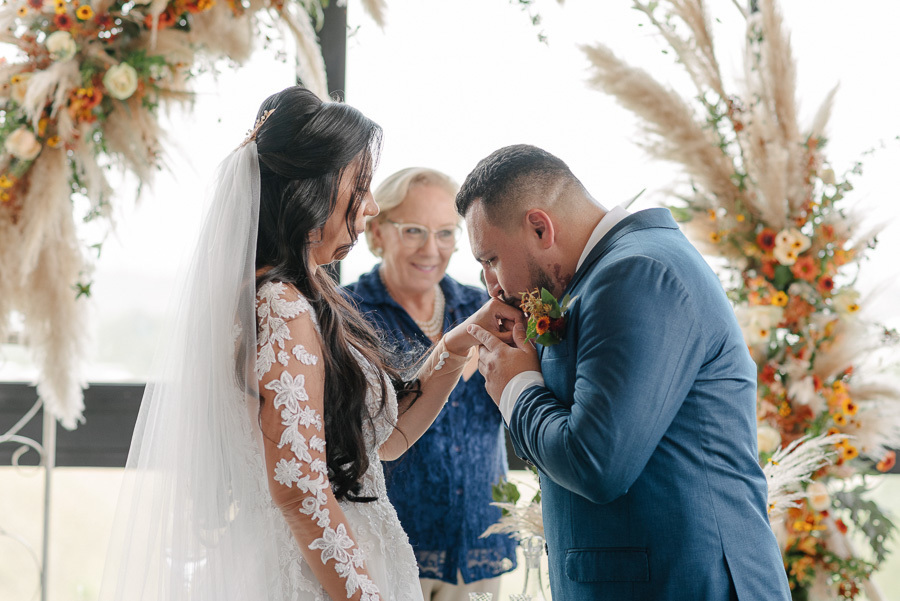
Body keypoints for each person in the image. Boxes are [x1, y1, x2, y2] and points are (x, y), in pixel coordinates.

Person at [98, 87, 522, 601]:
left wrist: (456, 346)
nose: (369, 207)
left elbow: (384, 442)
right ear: (308, 190)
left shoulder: (281, 294)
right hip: (320, 578)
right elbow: (299, 491)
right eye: (359, 185)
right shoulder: (280, 304)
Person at [458, 144, 792, 600]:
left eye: (490, 259)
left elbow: (595, 463)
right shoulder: (608, 276)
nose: (491, 285)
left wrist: (516, 387)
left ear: (540, 227)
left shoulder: (636, 272)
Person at [343, 167, 517, 600]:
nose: (431, 249)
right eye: (414, 231)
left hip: (478, 536)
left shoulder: (481, 306)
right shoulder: (348, 313)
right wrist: (448, 360)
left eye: (445, 233)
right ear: (378, 232)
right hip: (392, 543)